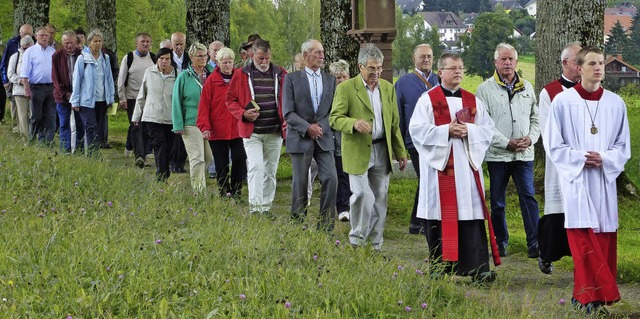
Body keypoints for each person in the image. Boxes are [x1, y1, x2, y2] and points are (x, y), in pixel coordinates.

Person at [543, 46, 630, 315]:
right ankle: (588, 296)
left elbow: (622, 144)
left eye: (601, 63)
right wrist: (581, 158)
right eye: (592, 63)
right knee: (583, 241)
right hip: (577, 181)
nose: (599, 68)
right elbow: (553, 144)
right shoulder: (563, 102)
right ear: (579, 68)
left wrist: (604, 158)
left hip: (603, 181)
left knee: (602, 238)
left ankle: (589, 297)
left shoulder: (616, 103)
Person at [409, 53, 499, 283]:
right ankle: (440, 267)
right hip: (441, 170)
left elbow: (487, 130)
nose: (458, 72)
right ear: (441, 72)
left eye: (460, 68)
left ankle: (478, 268)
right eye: (453, 68)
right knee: (441, 216)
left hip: (467, 169)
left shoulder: (472, 100)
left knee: (470, 216)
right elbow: (417, 130)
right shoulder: (428, 100)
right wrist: (445, 131)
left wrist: (470, 131)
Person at [329, 44, 408, 250]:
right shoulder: (345, 88)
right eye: (372, 68)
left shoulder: (388, 88)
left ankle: (375, 243)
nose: (376, 72)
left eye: (379, 68)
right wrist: (353, 123)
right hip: (357, 149)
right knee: (362, 194)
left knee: (380, 197)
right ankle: (357, 239)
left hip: (382, 149)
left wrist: (400, 153)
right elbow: (334, 119)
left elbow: (394, 124)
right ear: (360, 67)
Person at [476, 43, 540, 258]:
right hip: (498, 155)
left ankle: (535, 243)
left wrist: (531, 138)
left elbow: (536, 118)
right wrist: (506, 142)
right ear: (495, 62)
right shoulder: (484, 90)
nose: (507, 63)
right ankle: (500, 242)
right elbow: (484, 125)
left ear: (516, 62)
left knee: (528, 197)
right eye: (503, 59)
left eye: (511, 59)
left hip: (524, 154)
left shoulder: (528, 88)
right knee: (498, 201)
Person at [227, 39, 287, 214]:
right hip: (251, 131)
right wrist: (243, 113)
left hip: (274, 130)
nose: (264, 62)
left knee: (270, 170)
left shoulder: (280, 73)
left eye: (267, 58)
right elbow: (230, 100)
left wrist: (287, 117)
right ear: (252, 55)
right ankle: (255, 207)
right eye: (261, 58)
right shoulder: (241, 74)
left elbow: (289, 97)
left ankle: (266, 207)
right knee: (255, 167)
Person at [283, 39, 338, 231]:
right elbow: (288, 112)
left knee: (331, 178)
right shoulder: (291, 79)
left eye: (322, 52)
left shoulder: (330, 80)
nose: (322, 55)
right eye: (317, 52)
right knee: (300, 182)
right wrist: (307, 128)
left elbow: (334, 111)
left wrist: (319, 127)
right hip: (300, 137)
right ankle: (298, 225)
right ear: (306, 55)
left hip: (323, 137)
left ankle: (326, 227)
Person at [536, 42, 582, 274]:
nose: (582, 66)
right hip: (561, 162)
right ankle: (547, 254)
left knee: (583, 214)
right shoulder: (550, 92)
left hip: (586, 164)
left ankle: (583, 260)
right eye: (577, 61)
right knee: (558, 212)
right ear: (565, 63)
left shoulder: (591, 90)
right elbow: (547, 129)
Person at [395, 43, 440, 235]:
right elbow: (398, 116)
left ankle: (421, 221)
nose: (426, 60)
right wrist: (400, 148)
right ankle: (417, 222)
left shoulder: (439, 80)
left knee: (430, 180)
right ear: (414, 59)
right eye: (422, 56)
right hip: (414, 141)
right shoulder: (403, 83)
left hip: (437, 140)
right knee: (426, 179)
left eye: (429, 56)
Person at [197, 47, 247, 197]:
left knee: (239, 158)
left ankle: (237, 190)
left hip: (237, 127)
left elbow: (246, 99)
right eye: (224, 62)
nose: (227, 65)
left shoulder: (239, 79)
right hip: (217, 129)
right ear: (218, 63)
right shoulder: (211, 81)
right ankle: (224, 190)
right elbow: (204, 106)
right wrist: (205, 127)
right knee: (221, 162)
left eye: (230, 62)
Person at [172, 42, 214, 194]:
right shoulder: (184, 76)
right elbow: (176, 100)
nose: (203, 59)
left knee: (208, 157)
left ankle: (199, 180)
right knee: (197, 157)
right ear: (191, 57)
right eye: (200, 56)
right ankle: (199, 192)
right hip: (191, 122)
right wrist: (178, 124)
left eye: (205, 56)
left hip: (209, 124)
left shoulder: (212, 74)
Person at [133, 47, 176, 182]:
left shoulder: (177, 74)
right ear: (157, 60)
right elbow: (142, 95)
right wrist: (136, 116)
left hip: (170, 117)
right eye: (161, 59)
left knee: (168, 146)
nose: (164, 62)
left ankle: (164, 171)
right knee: (159, 144)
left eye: (167, 59)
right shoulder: (149, 72)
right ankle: (161, 174)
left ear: (171, 60)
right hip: (151, 116)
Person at [70, 29, 115, 155]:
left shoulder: (105, 58)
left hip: (102, 99)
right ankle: (92, 154)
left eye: (100, 41)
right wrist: (75, 100)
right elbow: (77, 80)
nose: (98, 44)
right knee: (91, 126)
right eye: (95, 41)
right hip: (87, 100)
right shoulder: (82, 59)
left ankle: (94, 151)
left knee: (99, 128)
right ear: (89, 43)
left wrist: (110, 98)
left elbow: (109, 79)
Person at [119, 32, 155, 168]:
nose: (145, 44)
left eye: (147, 42)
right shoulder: (129, 58)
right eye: (142, 41)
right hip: (133, 97)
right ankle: (139, 155)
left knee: (147, 127)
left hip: (149, 98)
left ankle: (145, 153)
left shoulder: (153, 58)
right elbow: (121, 79)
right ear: (136, 43)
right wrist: (122, 98)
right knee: (136, 126)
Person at [20, 27, 57, 144]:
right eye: (42, 35)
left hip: (51, 87)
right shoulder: (30, 52)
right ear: (36, 37)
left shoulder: (53, 52)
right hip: (36, 88)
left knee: (50, 116)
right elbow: (24, 73)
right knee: (36, 116)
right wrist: (26, 88)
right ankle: (32, 139)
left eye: (46, 35)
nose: (44, 37)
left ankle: (48, 141)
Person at [52, 30, 84, 153]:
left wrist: (77, 93)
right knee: (64, 123)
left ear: (76, 42)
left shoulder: (82, 55)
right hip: (62, 96)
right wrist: (66, 93)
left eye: (71, 43)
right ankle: (65, 150)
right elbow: (55, 78)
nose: (69, 46)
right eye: (66, 43)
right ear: (62, 43)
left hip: (79, 94)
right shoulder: (56, 56)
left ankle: (79, 149)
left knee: (80, 123)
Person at [328, 59, 351, 222]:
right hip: (335, 141)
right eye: (338, 77)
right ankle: (342, 207)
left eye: (344, 77)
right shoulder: (329, 96)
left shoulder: (355, 93)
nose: (341, 80)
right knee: (341, 174)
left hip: (353, 140)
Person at [1, 24, 33, 127]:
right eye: (25, 34)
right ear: (20, 33)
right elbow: (5, 63)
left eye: (29, 34)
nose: (27, 36)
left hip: (33, 86)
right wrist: (5, 80)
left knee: (31, 113)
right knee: (17, 108)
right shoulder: (12, 43)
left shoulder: (35, 44)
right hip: (15, 83)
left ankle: (31, 133)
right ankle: (16, 128)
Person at [169, 32, 189, 173]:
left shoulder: (189, 59)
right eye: (176, 44)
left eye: (181, 44)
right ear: (172, 44)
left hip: (186, 98)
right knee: (173, 133)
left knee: (185, 132)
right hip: (170, 97)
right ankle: (172, 161)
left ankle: (181, 162)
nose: (179, 47)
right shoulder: (166, 58)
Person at [7, 36, 34, 138]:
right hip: (19, 91)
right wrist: (20, 81)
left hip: (34, 90)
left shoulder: (35, 56)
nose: (26, 50)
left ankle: (33, 136)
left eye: (28, 48)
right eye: (24, 48)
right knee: (22, 116)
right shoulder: (15, 57)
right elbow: (10, 74)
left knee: (34, 115)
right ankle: (25, 139)